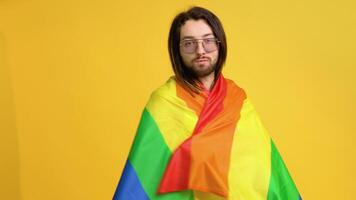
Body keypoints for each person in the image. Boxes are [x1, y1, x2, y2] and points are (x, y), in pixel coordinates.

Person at [113, 6, 302, 200]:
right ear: (177, 50)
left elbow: (263, 165)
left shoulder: (238, 98)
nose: (200, 50)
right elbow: (145, 171)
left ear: (220, 44)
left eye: (208, 41)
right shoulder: (165, 101)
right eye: (189, 44)